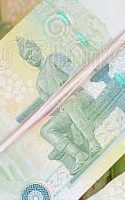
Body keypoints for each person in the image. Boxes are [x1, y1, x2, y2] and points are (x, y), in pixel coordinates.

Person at [17, 37, 100, 174]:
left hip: (80, 97)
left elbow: (75, 72)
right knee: (45, 130)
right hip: (66, 110)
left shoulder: (55, 58)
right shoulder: (40, 83)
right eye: (27, 58)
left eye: (31, 52)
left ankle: (92, 142)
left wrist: (63, 92)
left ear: (37, 48)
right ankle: (79, 154)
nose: (30, 58)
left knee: (68, 102)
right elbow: (52, 108)